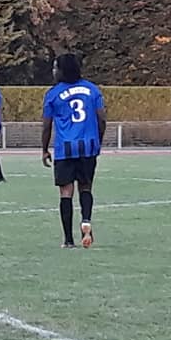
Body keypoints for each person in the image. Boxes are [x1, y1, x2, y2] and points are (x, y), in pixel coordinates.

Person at [41, 54, 107, 248]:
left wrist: (44, 149)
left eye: (55, 68)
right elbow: (101, 119)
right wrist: (98, 141)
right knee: (85, 187)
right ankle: (86, 220)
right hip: (88, 147)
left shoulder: (53, 94)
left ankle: (68, 240)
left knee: (66, 192)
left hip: (65, 149)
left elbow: (47, 126)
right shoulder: (92, 89)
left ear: (62, 70)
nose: (53, 71)